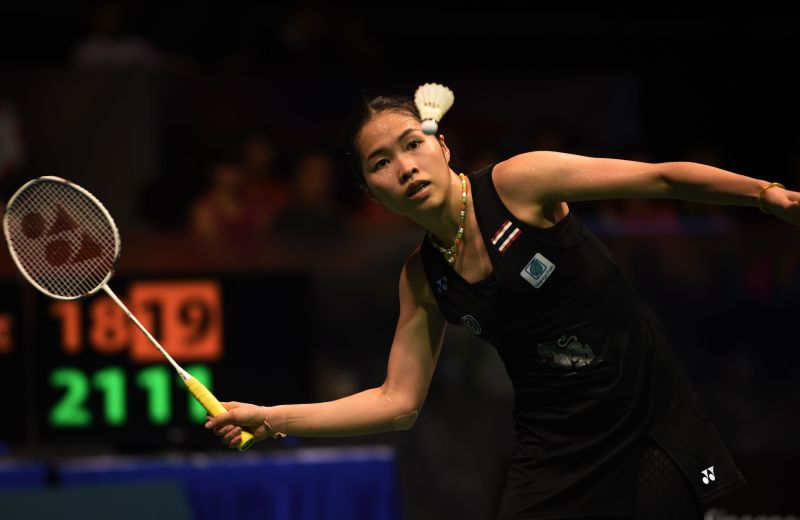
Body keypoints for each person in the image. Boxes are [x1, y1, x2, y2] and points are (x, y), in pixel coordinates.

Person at [204, 93, 800, 519]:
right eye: (380, 162)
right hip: (554, 449)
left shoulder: (520, 183)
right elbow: (397, 402)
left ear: (441, 146)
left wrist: (767, 195)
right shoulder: (422, 279)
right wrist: (270, 416)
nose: (405, 167)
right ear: (369, 191)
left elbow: (663, 180)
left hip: (647, 416)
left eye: (412, 144)